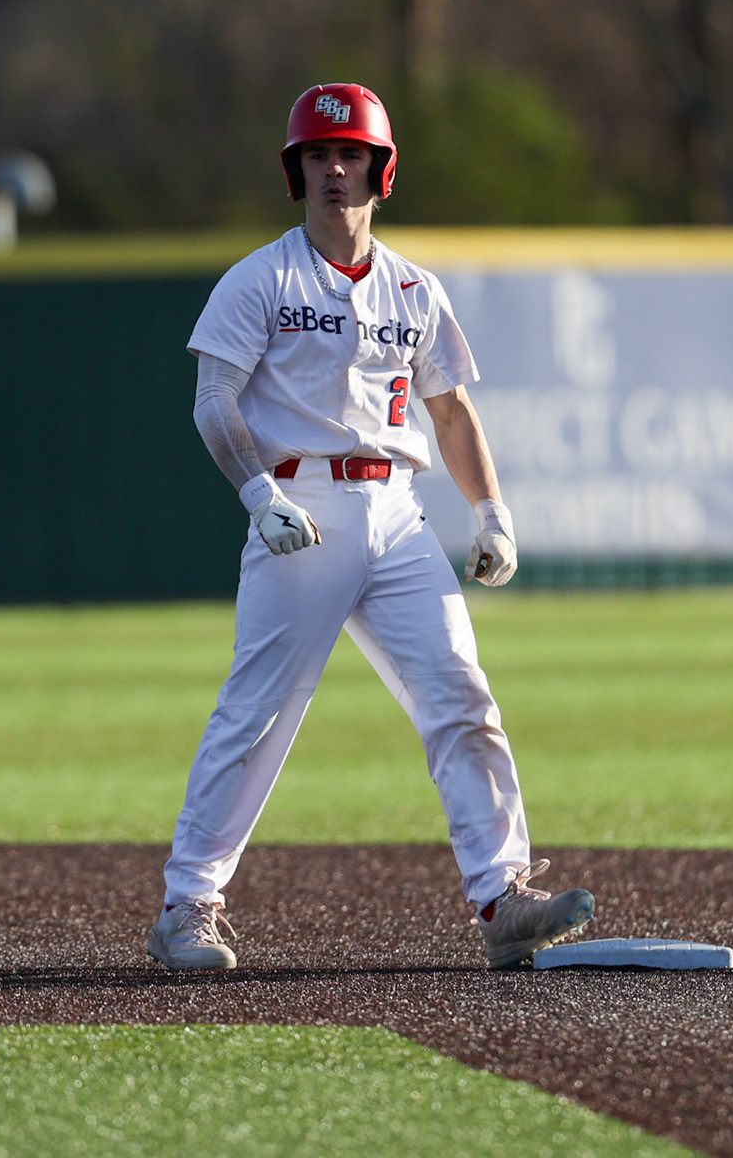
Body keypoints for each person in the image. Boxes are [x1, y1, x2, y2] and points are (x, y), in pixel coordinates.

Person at [145, 83, 596, 971]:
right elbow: (212, 404)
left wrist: (491, 509)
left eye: (350, 154)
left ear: (382, 171)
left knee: (461, 691)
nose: (333, 170)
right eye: (316, 155)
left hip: (396, 511)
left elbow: (452, 411)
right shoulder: (261, 277)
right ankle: (186, 905)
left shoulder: (412, 287)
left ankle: (503, 897)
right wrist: (256, 497)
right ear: (295, 172)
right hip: (299, 507)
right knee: (262, 712)